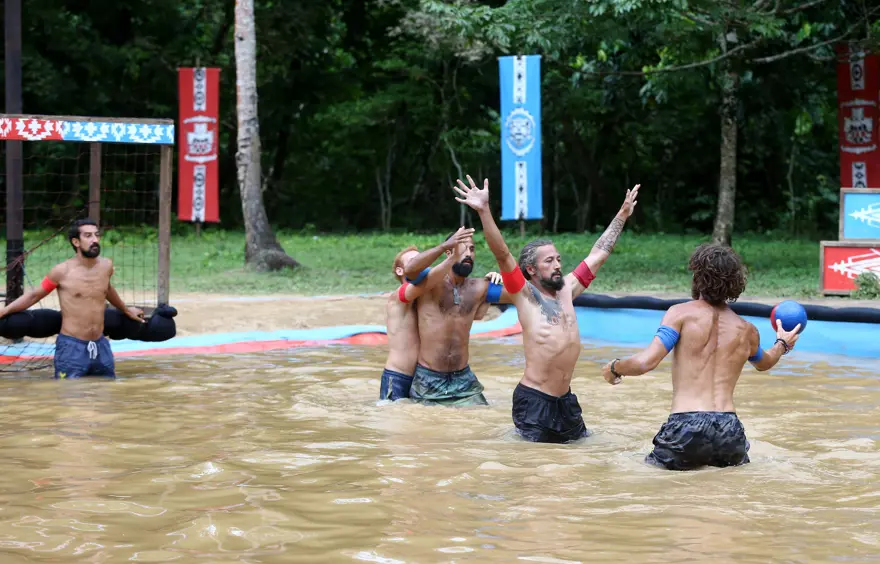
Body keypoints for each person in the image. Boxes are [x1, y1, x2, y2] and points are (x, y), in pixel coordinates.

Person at [453, 174, 640, 440]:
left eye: (558, 259)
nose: (557, 265)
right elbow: (503, 254)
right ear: (530, 269)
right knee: (536, 471)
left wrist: (622, 215)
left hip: (565, 402)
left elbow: (599, 253)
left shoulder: (568, 288)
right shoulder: (523, 294)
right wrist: (484, 210)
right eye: (549, 261)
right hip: (534, 401)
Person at [600, 243, 802, 471]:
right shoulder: (747, 330)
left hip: (686, 426)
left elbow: (646, 362)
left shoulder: (680, 314)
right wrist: (782, 343)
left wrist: (615, 367)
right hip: (729, 430)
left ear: (698, 276)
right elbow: (765, 363)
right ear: (735, 283)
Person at [0, 219, 144, 379]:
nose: (95, 240)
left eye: (96, 235)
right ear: (76, 241)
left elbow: (107, 289)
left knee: (105, 394)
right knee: (70, 397)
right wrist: (5, 311)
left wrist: (126, 309)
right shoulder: (61, 271)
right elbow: (34, 295)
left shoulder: (106, 266)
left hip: (101, 345)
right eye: (88, 236)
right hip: (71, 348)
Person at [404, 225, 510, 407]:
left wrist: (501, 278)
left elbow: (521, 294)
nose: (469, 253)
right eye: (463, 247)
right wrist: (443, 246)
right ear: (449, 252)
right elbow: (410, 270)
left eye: (472, 249)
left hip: (463, 380)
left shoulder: (480, 288)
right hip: (428, 380)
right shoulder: (429, 284)